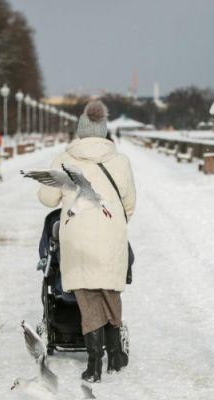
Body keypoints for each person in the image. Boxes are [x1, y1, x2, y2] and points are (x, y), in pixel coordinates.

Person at [38, 100, 135, 383]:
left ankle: (94, 364)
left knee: (89, 299)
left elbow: (47, 199)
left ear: (80, 131)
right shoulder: (121, 160)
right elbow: (129, 205)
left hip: (77, 237)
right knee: (110, 292)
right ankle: (115, 355)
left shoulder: (64, 159)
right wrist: (113, 223)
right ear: (104, 131)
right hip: (111, 234)